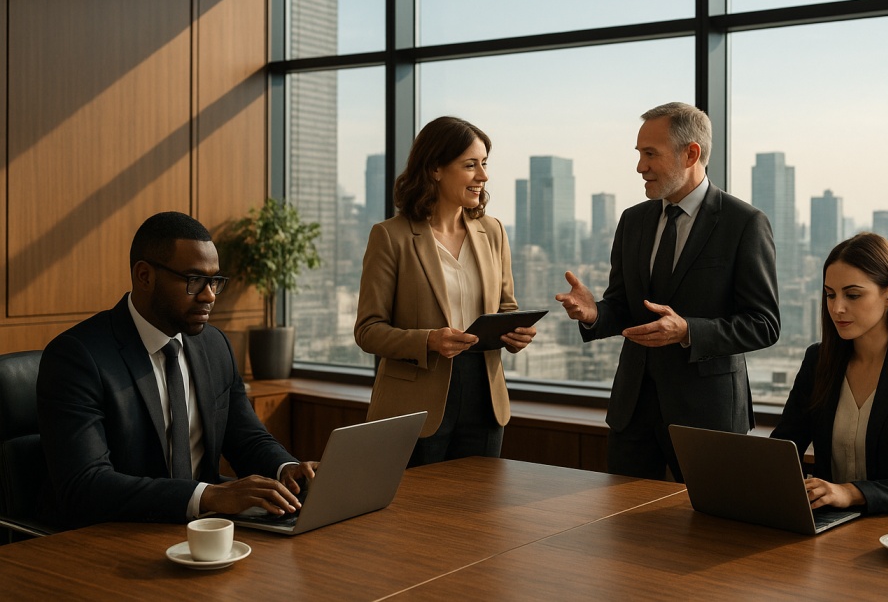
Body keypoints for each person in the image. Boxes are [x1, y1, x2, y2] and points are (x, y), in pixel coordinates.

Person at [38, 212, 317, 529]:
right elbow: (86, 485)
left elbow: (247, 440)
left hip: (205, 532)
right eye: (194, 281)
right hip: (112, 535)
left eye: (214, 281)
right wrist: (208, 496)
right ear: (144, 276)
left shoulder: (215, 346)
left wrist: (287, 469)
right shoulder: (78, 357)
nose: (209, 295)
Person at [556, 102, 780, 481]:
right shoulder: (633, 221)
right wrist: (595, 314)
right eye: (639, 154)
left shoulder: (744, 224)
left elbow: (763, 324)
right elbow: (628, 309)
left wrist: (688, 331)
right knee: (624, 533)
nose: (640, 166)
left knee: (711, 532)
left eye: (650, 154)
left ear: (691, 153)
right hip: (633, 412)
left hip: (707, 417)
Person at [355, 116, 534, 466]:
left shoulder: (493, 231)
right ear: (436, 168)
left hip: (485, 397)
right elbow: (368, 330)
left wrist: (516, 331)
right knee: (415, 515)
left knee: (479, 512)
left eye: (484, 164)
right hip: (415, 404)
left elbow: (506, 307)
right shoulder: (391, 236)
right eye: (470, 165)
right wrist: (429, 340)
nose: (482, 175)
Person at [771, 233, 888, 514]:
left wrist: (852, 493)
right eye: (830, 294)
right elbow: (784, 448)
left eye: (853, 295)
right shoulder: (819, 359)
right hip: (834, 526)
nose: (837, 308)